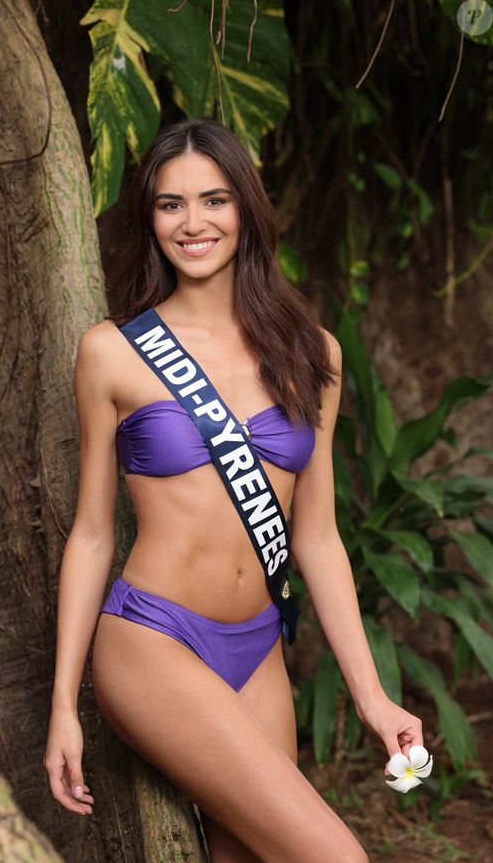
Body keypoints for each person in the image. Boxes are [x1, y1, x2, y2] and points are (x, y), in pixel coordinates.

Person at [43, 117, 424, 862]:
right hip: (153, 637)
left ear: (246, 208)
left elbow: (316, 536)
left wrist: (372, 695)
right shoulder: (112, 353)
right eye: (170, 204)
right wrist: (62, 705)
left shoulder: (313, 352)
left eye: (213, 200)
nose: (194, 223)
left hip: (257, 649)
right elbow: (92, 532)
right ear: (149, 220)